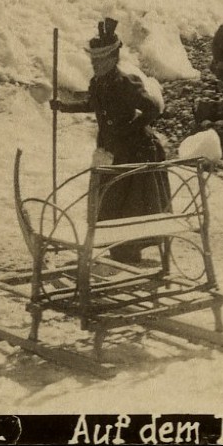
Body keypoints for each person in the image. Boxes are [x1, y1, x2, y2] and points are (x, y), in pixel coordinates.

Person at [51, 18, 169, 264]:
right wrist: (63, 107)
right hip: (110, 149)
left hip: (136, 151)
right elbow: (91, 104)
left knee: (134, 201)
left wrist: (128, 130)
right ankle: (116, 245)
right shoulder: (97, 83)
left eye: (100, 60)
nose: (95, 65)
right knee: (110, 197)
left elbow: (152, 109)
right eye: (93, 60)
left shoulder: (125, 83)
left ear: (113, 59)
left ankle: (129, 249)